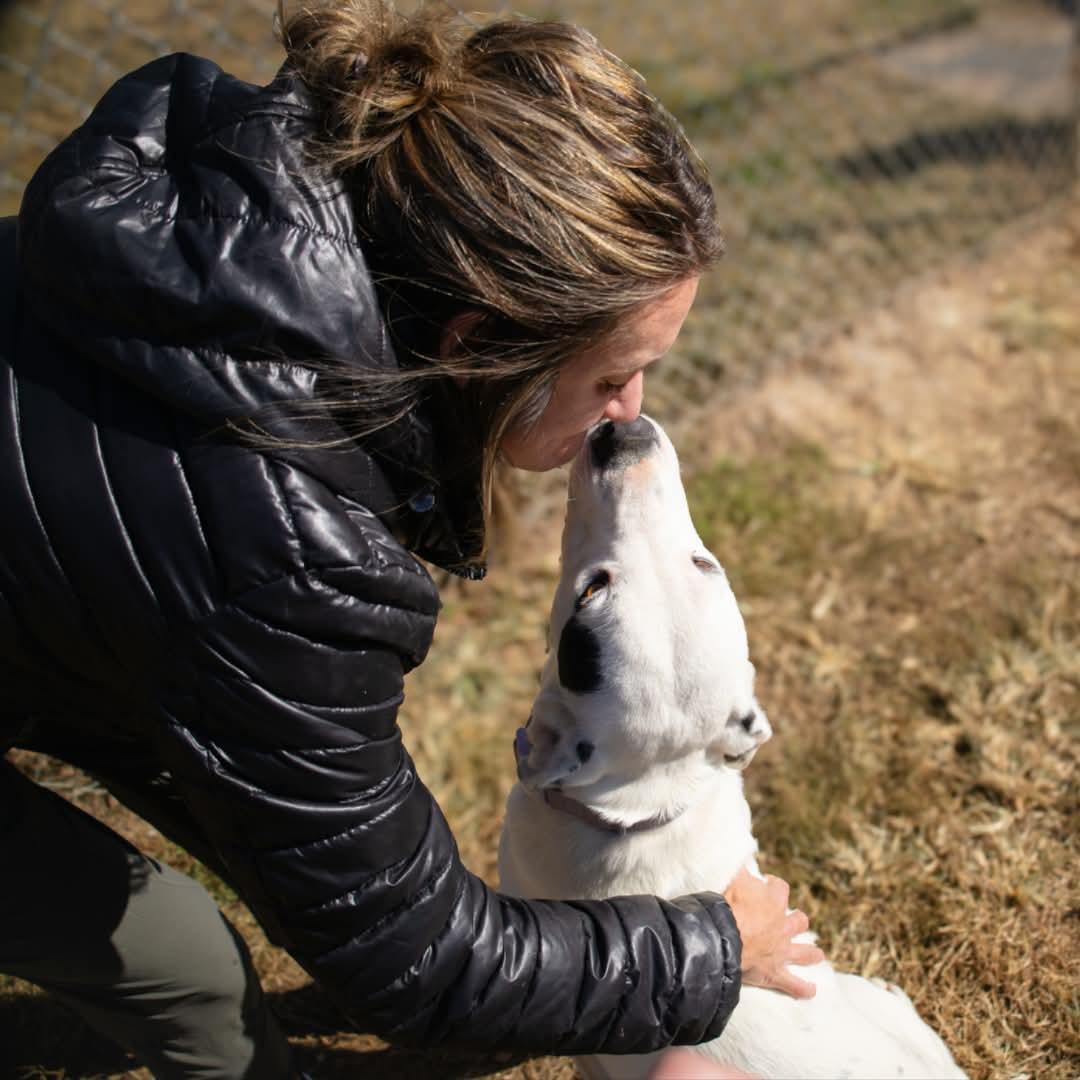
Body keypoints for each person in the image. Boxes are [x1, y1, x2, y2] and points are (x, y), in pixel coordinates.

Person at [0, 1, 824, 1076]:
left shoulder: (221, 229)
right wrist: (715, 945)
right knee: (183, 965)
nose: (631, 413)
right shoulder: (287, 548)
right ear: (476, 345)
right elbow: (413, 961)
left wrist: (332, 857)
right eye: (610, 375)